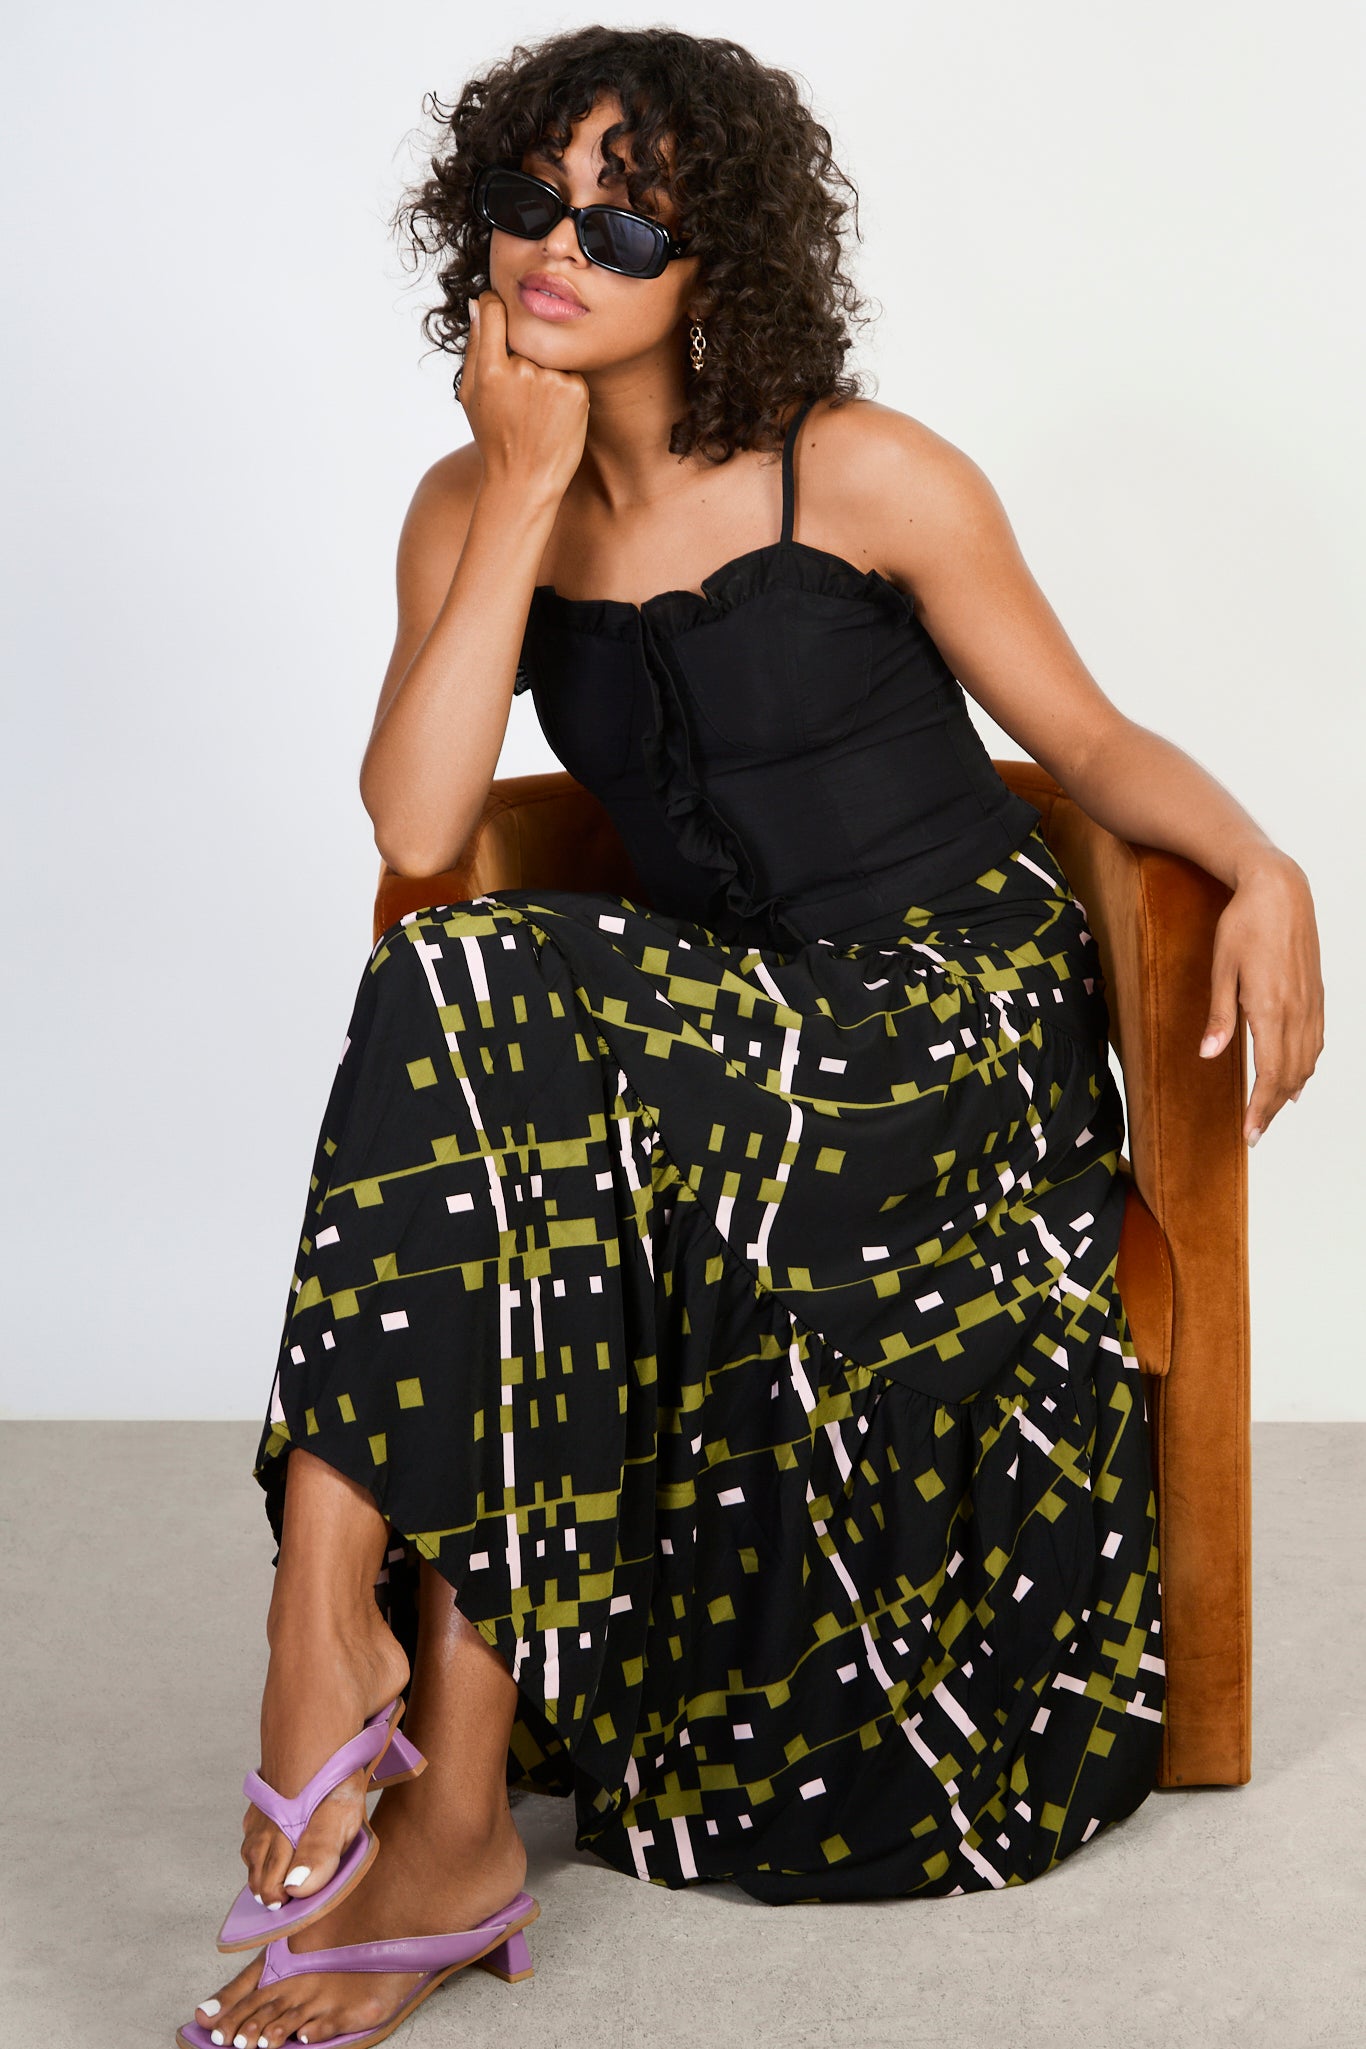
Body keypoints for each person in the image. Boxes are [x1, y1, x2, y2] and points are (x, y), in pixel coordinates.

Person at [178, 25, 1324, 2049]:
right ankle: (399, 1741)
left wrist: (1261, 860)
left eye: (627, 219)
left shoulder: (861, 468)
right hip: (724, 1048)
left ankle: (340, 1657)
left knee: (472, 984)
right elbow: (421, 828)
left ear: (722, 261)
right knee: (459, 983)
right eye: (530, 201)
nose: (563, 246)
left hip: (947, 1033)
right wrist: (519, 492)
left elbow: (1081, 740)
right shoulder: (466, 503)